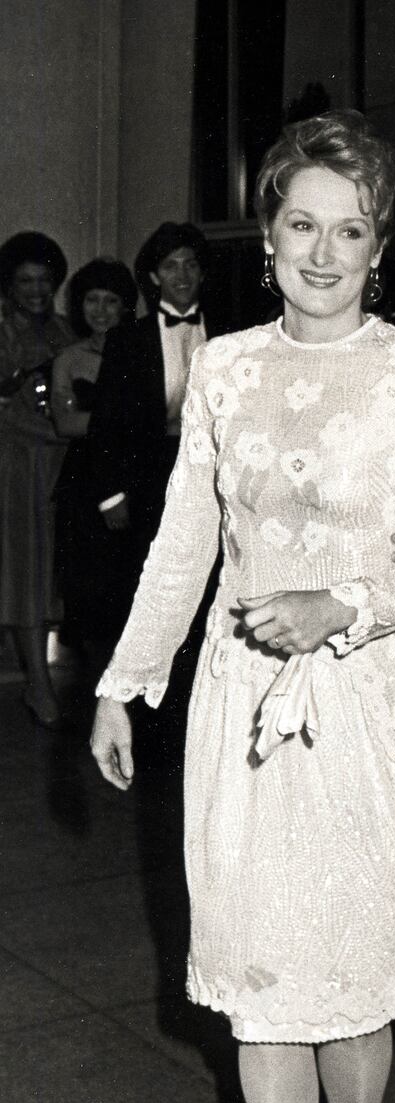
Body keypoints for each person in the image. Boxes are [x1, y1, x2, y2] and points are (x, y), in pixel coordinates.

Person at [90, 109, 395, 1103]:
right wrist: (124, 675)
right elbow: (184, 541)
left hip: (369, 710)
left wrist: (344, 605)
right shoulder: (226, 369)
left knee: (357, 983)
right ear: (266, 236)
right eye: (300, 224)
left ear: (378, 246)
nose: (322, 250)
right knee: (263, 995)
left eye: (349, 229)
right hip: (243, 714)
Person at [88, 222, 218, 607]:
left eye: (190, 264)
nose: (182, 275)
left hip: (207, 472)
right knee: (146, 587)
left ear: (202, 271)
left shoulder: (229, 333)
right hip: (145, 477)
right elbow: (104, 424)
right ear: (153, 275)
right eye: (170, 266)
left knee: (206, 584)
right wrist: (111, 495)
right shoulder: (127, 339)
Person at [0, 231, 74, 727]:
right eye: (25, 281)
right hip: (16, 465)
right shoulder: (1, 333)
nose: (36, 290)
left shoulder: (69, 330)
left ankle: (45, 673)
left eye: (44, 280)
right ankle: (37, 685)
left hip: (63, 468)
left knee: (56, 575)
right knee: (25, 573)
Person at [51, 258, 139, 651]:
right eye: (92, 300)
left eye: (110, 301)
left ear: (125, 306)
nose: (100, 310)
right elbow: (64, 423)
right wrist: (119, 420)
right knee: (88, 592)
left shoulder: (140, 351)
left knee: (130, 586)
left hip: (132, 475)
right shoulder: (69, 358)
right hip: (83, 481)